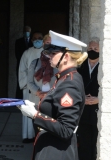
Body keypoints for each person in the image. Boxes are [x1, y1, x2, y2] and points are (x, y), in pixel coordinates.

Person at [19, 30, 87, 160]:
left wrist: (35, 115)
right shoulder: (64, 77)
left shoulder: (69, 83)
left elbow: (65, 130)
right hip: (51, 147)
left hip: (57, 152)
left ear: (66, 57)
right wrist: (34, 107)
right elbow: (55, 108)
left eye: (54, 53)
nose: (49, 56)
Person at [27, 34, 58, 136]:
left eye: (52, 43)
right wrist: (38, 92)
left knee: (51, 133)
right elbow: (29, 82)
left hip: (53, 102)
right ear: (44, 44)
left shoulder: (59, 63)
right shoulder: (34, 63)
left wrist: (50, 94)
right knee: (38, 133)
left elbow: (62, 82)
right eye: (47, 43)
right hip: (37, 103)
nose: (49, 45)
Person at [77, 37, 100, 160]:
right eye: (90, 48)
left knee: (96, 142)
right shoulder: (80, 65)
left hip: (98, 110)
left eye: (96, 48)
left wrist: (99, 99)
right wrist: (82, 98)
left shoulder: (105, 65)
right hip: (83, 109)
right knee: (84, 141)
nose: (93, 50)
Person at [18, 31, 44, 143]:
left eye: (40, 38)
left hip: (42, 89)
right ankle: (28, 136)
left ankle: (40, 135)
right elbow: (22, 70)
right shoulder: (27, 53)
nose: (37, 40)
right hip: (29, 88)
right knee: (28, 111)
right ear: (32, 40)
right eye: (35, 38)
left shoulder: (46, 52)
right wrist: (25, 84)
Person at [15, 26, 32, 99]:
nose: (26, 33)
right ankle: (18, 99)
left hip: (31, 65)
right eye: (25, 31)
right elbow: (17, 54)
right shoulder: (18, 41)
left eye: (28, 31)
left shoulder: (32, 41)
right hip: (20, 65)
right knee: (20, 82)